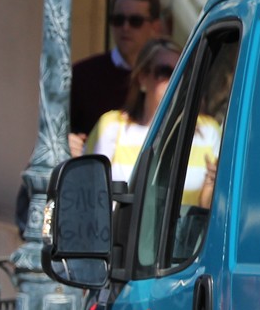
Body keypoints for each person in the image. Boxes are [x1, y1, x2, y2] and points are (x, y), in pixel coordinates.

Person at [81, 37, 220, 208]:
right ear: (142, 78)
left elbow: (211, 208)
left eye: (183, 72)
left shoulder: (208, 130)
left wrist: (210, 187)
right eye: (165, 72)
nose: (176, 81)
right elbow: (89, 194)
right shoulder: (111, 126)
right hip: (121, 234)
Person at [69, 0, 166, 143]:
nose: (125, 27)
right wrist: (67, 142)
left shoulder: (167, 75)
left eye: (135, 21)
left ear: (155, 27)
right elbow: (58, 132)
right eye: (118, 20)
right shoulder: (82, 75)